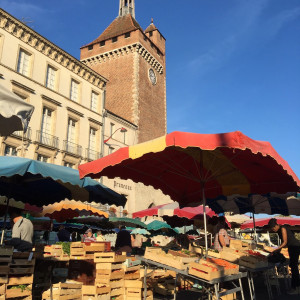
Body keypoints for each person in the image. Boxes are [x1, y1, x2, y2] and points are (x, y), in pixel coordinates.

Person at [268, 218, 300, 295]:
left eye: (273, 228)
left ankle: (297, 288)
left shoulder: (283, 228)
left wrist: (275, 249)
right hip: (291, 247)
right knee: (293, 266)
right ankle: (295, 287)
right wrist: (277, 251)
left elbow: (285, 242)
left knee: (294, 267)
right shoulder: (278, 231)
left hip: (295, 247)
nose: (273, 230)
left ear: (276, 225)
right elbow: (283, 244)